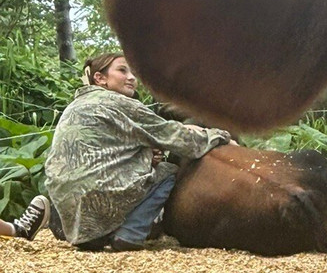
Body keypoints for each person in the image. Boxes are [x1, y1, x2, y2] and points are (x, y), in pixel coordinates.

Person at [45, 53, 233, 251]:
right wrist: (220, 136)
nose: (132, 77)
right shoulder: (121, 103)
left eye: (133, 72)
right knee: (167, 172)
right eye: (122, 70)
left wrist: (146, 155)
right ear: (100, 78)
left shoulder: (75, 105)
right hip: (99, 193)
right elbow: (178, 138)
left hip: (64, 199)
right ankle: (131, 233)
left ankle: (90, 235)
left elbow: (105, 152)